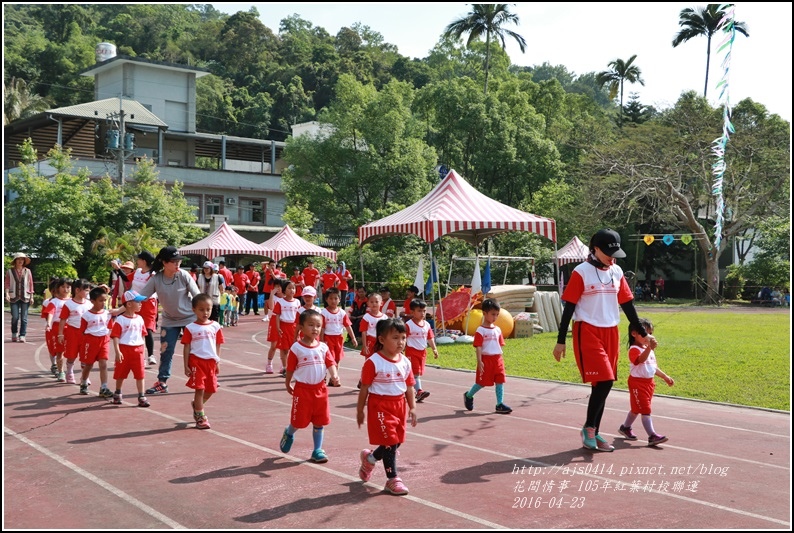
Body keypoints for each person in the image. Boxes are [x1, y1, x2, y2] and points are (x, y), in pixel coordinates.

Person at [553, 228, 652, 452]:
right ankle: (589, 428)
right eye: (608, 252)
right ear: (595, 249)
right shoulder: (581, 272)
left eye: (615, 253)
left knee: (604, 385)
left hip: (611, 332)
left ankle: (594, 432)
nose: (612, 257)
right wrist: (561, 340)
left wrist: (644, 335)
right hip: (587, 330)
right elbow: (569, 308)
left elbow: (628, 306)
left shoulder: (616, 272)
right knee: (605, 381)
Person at [357, 318, 417, 495]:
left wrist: (412, 407)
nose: (401, 342)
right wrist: (360, 410)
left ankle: (370, 458)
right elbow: (365, 388)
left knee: (396, 441)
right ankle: (392, 479)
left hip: (399, 405)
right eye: (396, 337)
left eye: (404, 338)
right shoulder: (373, 362)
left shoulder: (405, 362)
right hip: (380, 405)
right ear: (382, 340)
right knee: (390, 441)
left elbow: (409, 386)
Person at [137, 246, 200, 395]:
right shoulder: (157, 279)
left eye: (178, 261)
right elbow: (141, 296)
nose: (177, 264)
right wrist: (123, 306)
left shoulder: (184, 275)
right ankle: (162, 382)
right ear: (164, 263)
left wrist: (205, 318)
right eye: (173, 261)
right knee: (166, 350)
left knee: (196, 350)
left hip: (190, 318)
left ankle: (199, 377)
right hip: (170, 320)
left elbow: (197, 296)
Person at [279, 309, 341, 463]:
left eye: (318, 325)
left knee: (319, 421)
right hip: (303, 391)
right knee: (299, 421)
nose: (315, 329)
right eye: (311, 325)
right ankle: (289, 432)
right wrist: (287, 383)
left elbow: (331, 363)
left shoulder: (323, 347)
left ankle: (317, 450)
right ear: (301, 327)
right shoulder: (296, 348)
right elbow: (291, 369)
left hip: (320, 390)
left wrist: (334, 375)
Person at [619, 318, 674, 446]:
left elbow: (653, 367)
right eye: (644, 333)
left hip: (649, 383)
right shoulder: (634, 349)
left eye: (650, 333)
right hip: (637, 383)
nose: (648, 337)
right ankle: (652, 436)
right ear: (634, 334)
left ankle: (625, 427)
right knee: (645, 409)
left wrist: (665, 376)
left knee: (636, 408)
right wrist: (649, 348)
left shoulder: (647, 349)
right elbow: (640, 360)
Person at [462, 298, 512, 414]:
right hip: (486, 360)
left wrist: (500, 360)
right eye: (493, 314)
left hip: (497, 359)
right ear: (484, 314)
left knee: (500, 381)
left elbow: (499, 345)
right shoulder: (480, 330)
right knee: (482, 383)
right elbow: (478, 346)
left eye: (497, 314)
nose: (495, 317)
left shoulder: (498, 330)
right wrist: (479, 361)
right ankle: (469, 395)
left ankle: (499, 404)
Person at [182, 293, 224, 430]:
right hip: (196, 362)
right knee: (199, 388)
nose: (205, 312)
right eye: (201, 309)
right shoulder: (190, 328)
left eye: (208, 309)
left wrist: (217, 361)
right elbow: (187, 347)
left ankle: (197, 405)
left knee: (211, 389)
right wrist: (186, 365)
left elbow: (218, 345)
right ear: (194, 309)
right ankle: (200, 417)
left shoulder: (216, 326)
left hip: (211, 362)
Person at [110, 290, 150, 407]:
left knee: (140, 374)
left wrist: (143, 352)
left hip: (137, 351)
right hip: (124, 349)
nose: (141, 304)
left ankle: (141, 396)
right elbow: (116, 337)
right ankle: (117, 392)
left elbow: (142, 336)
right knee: (121, 373)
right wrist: (117, 352)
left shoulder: (140, 319)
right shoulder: (120, 320)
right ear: (129, 304)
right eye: (138, 302)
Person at [78, 286, 114, 398]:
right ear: (92, 301)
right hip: (90, 340)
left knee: (103, 364)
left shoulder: (107, 314)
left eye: (105, 300)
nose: (103, 303)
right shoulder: (86, 315)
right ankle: (83, 382)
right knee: (88, 365)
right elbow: (82, 331)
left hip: (103, 340)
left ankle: (104, 387)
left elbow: (109, 326)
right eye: (100, 301)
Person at [58, 279, 94, 385]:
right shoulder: (69, 304)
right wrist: (60, 334)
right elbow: (63, 319)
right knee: (71, 355)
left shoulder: (89, 304)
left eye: (88, 290)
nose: (88, 293)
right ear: (77, 290)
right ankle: (69, 372)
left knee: (85, 355)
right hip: (72, 332)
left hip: (86, 333)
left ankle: (84, 376)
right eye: (86, 290)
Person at [321, 287, 358, 385]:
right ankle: (323, 377)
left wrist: (353, 338)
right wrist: (321, 340)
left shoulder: (342, 313)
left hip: (339, 339)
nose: (333, 301)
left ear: (339, 299)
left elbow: (348, 326)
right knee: (329, 358)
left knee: (337, 359)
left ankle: (334, 378)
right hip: (328, 338)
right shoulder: (324, 313)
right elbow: (322, 328)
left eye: (335, 298)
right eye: (331, 298)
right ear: (326, 299)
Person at [404, 299, 438, 402]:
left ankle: (408, 389)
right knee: (416, 373)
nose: (422, 313)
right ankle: (419, 391)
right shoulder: (408, 325)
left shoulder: (427, 325)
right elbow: (403, 338)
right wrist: (400, 349)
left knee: (415, 373)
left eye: (424, 311)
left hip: (422, 352)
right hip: (411, 351)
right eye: (419, 311)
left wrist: (434, 349)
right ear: (412, 312)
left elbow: (430, 338)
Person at [131, 251, 158, 366]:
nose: (137, 261)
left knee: (147, 330)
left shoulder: (152, 274)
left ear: (144, 261)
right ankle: (139, 356)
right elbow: (127, 279)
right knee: (136, 329)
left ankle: (151, 355)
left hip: (148, 303)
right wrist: (117, 269)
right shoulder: (137, 272)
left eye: (139, 259)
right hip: (136, 301)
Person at [5, 252, 35, 343]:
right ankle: (14, 333)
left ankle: (22, 335)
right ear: (15, 261)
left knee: (24, 318)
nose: (20, 261)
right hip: (13, 296)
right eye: (18, 259)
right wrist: (6, 294)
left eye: (22, 259)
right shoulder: (10, 271)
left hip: (25, 296)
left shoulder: (27, 271)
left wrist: (32, 296)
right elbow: (7, 283)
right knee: (15, 317)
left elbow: (30, 284)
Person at [273, 280, 301, 377]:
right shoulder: (280, 302)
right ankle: (284, 368)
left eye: (293, 288)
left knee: (295, 348)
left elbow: (299, 316)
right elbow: (277, 315)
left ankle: (295, 367)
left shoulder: (297, 302)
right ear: (284, 290)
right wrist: (278, 327)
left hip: (294, 327)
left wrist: (300, 328)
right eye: (289, 288)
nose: (291, 290)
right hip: (284, 327)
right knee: (284, 349)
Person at [44, 278, 71, 377]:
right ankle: (61, 372)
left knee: (71, 352)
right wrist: (49, 323)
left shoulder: (72, 301)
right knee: (60, 351)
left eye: (68, 287)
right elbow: (50, 313)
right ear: (58, 288)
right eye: (63, 287)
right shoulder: (54, 301)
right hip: (57, 328)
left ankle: (70, 370)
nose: (66, 289)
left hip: (71, 328)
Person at [265, 280, 285, 373]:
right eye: (276, 286)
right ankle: (269, 363)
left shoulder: (286, 298)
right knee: (274, 345)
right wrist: (272, 294)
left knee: (283, 346)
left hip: (283, 322)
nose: (278, 289)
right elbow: (271, 307)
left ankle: (283, 365)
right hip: (274, 321)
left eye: (279, 286)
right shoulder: (274, 298)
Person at [359, 292, 385, 359]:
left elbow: (387, 332)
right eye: (372, 302)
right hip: (370, 342)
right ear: (368, 303)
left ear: (381, 303)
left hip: (381, 342)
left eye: (376, 302)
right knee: (369, 359)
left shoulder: (385, 317)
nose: (374, 304)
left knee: (381, 359)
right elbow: (364, 332)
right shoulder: (366, 317)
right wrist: (364, 345)